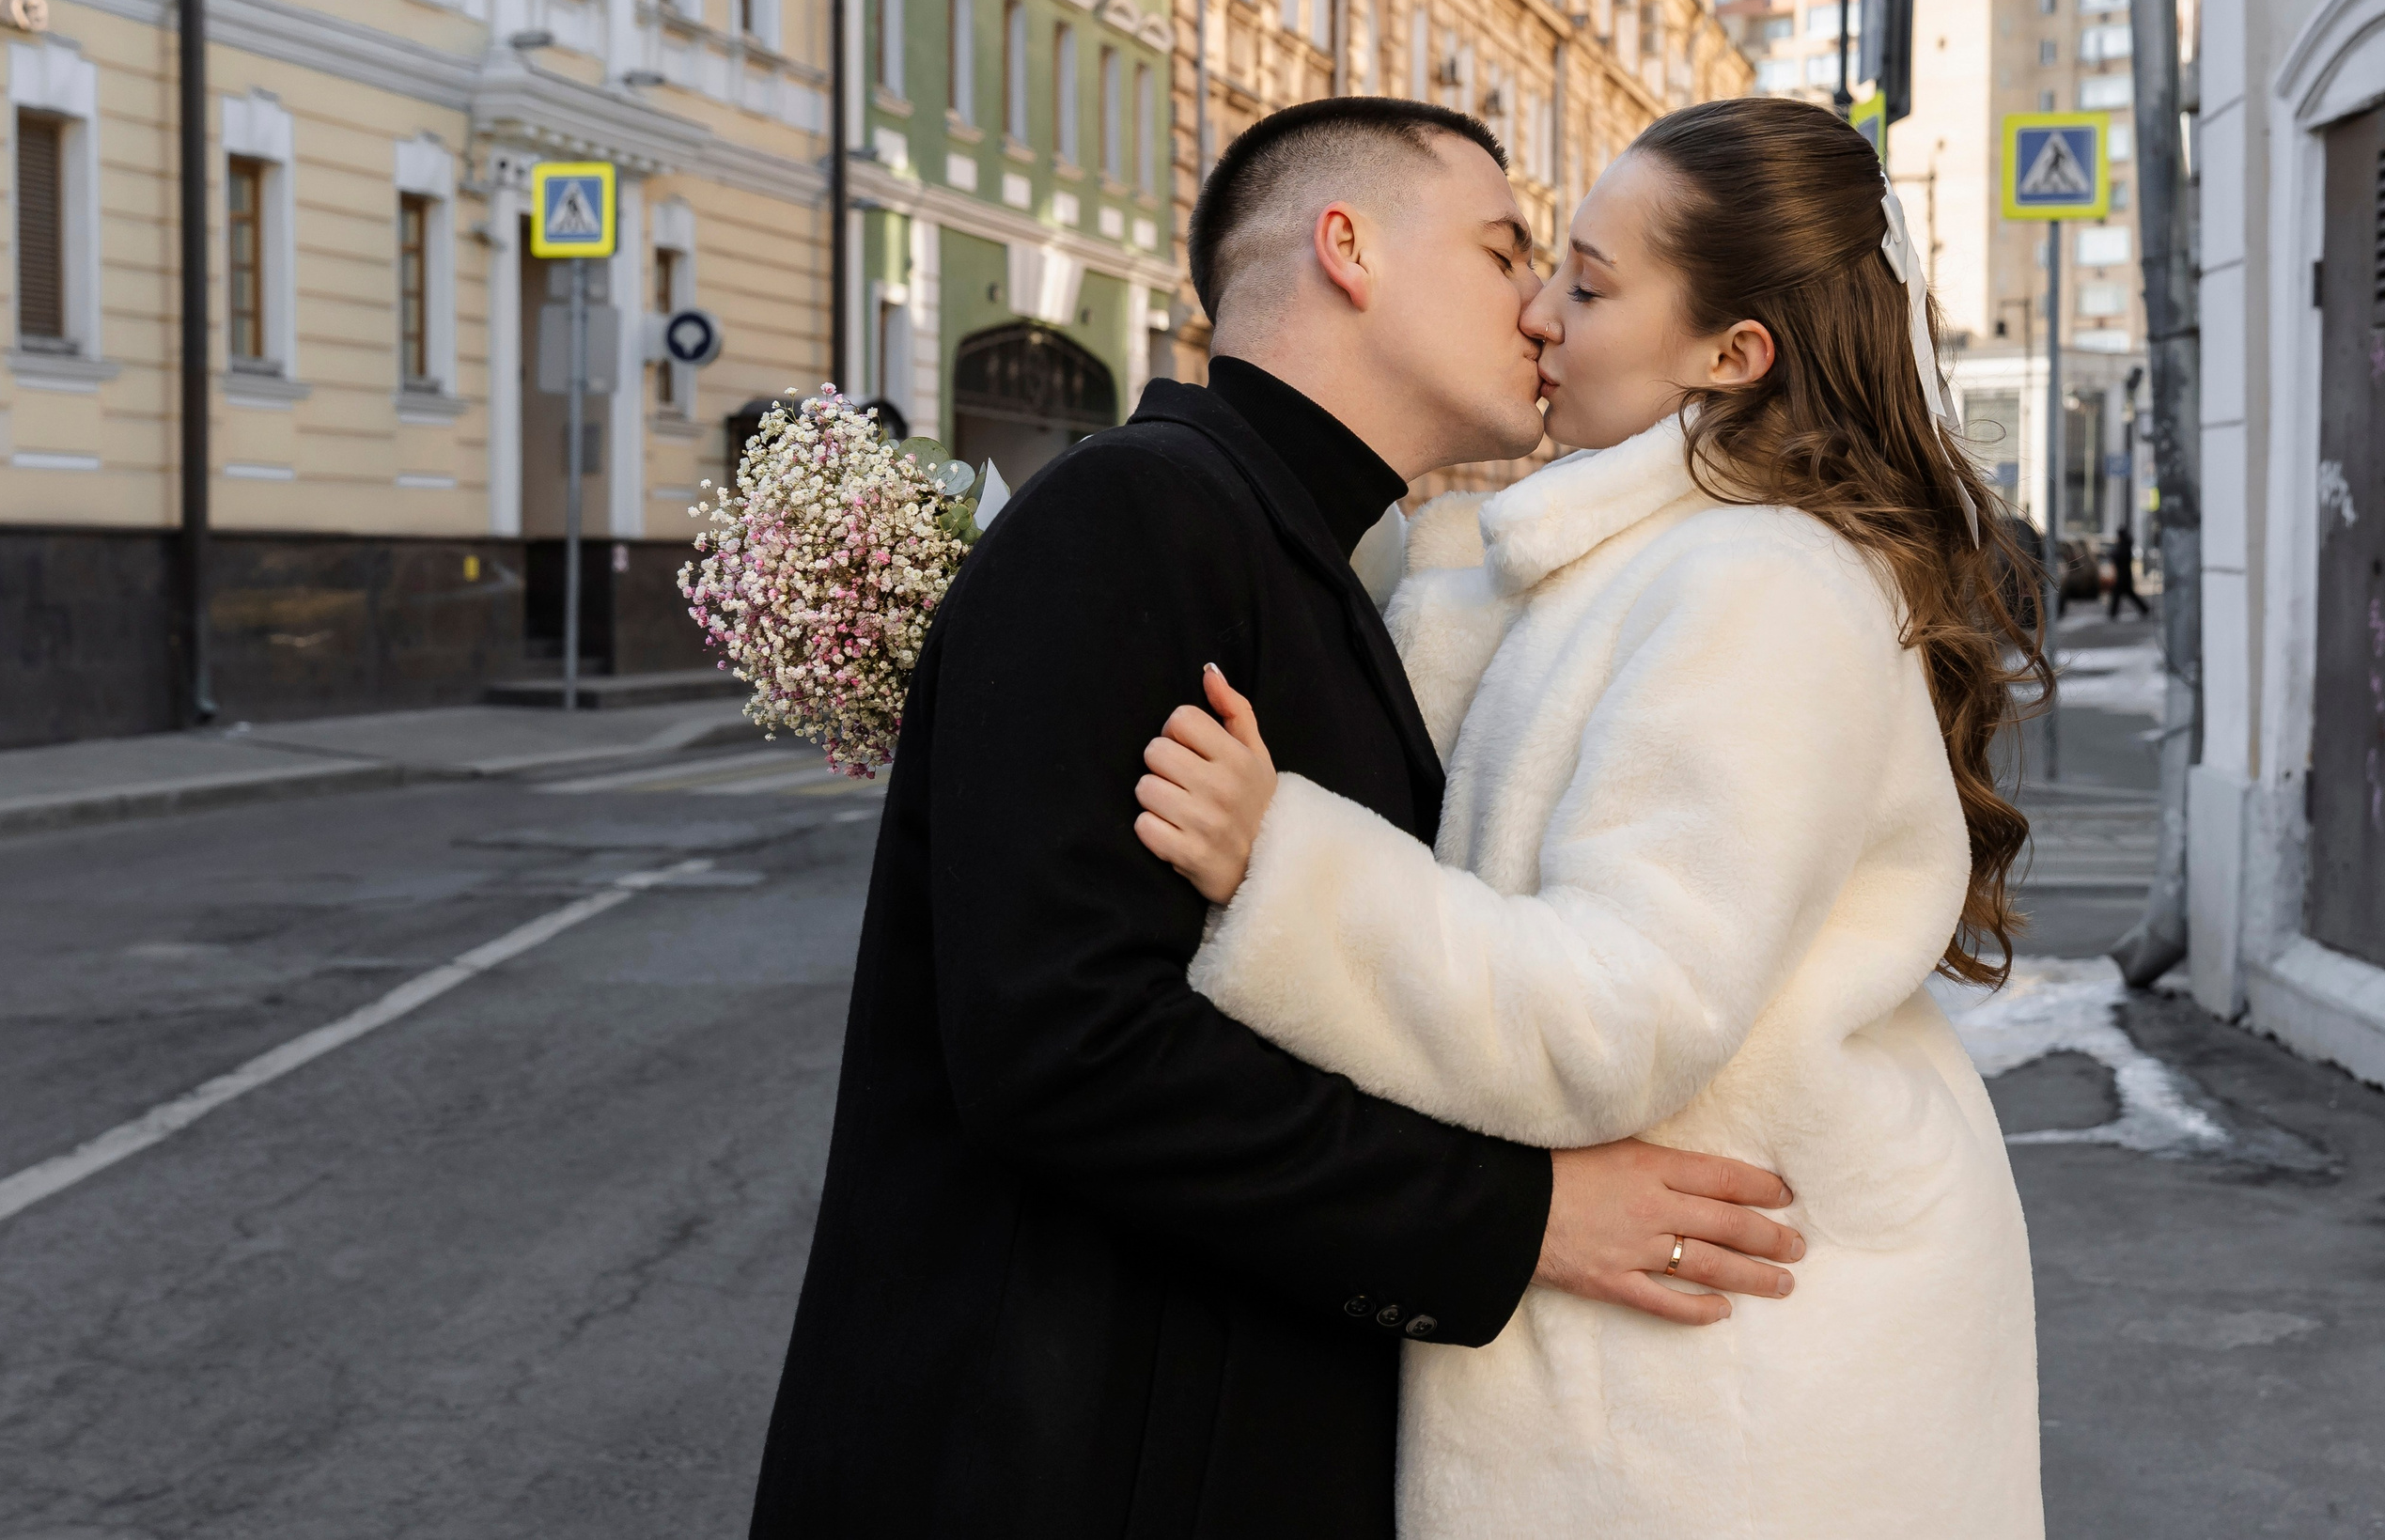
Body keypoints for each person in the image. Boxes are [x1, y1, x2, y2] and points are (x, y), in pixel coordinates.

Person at [747, 99, 1804, 1539]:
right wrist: (1518, 1215)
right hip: (1058, 1462)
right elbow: (1068, 1045)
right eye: (1506, 250)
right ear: (1348, 248)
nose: (1544, 307)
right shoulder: (1135, 516)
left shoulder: (1294, 547)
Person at [1134, 98, 2047, 1537]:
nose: (1539, 314)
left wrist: (1288, 865)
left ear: (1731, 355)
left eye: (1587, 280)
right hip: (1665, 1360)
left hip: (1719, 1401)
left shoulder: (1756, 591)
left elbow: (1613, 1014)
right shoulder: (1620, 568)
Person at [2108, 522, 2150, 617]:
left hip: (2124, 575)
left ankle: (2113, 613)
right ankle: (2145, 609)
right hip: (2124, 574)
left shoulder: (2125, 545)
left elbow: (2121, 557)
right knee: (2127, 594)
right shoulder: (2125, 544)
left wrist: (2113, 556)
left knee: (2119, 594)